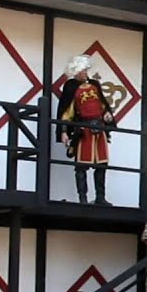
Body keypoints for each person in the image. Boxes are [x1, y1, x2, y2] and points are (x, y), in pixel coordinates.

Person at [56, 55, 115, 205]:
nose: (85, 73)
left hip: (99, 128)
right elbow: (67, 111)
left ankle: (100, 197)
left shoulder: (94, 84)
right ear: (76, 71)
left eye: (86, 70)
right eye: (82, 70)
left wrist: (107, 114)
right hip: (83, 129)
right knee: (81, 166)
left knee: (101, 164)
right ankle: (83, 198)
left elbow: (102, 104)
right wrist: (64, 131)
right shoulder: (71, 87)